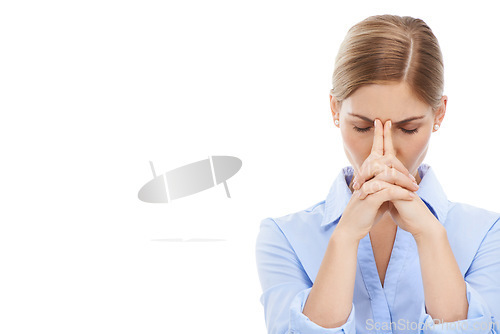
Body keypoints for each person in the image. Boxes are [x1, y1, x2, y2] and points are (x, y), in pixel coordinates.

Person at [255, 14, 500, 334]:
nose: (382, 154)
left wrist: (431, 235)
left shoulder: (487, 234)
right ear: (334, 110)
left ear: (439, 114)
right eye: (361, 127)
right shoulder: (284, 237)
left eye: (408, 129)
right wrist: (344, 238)